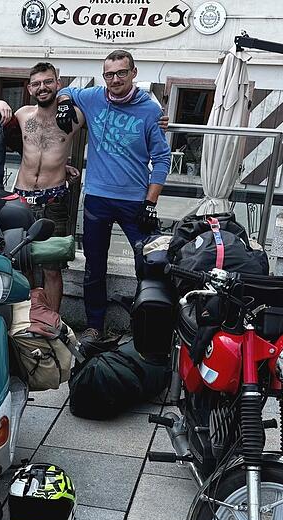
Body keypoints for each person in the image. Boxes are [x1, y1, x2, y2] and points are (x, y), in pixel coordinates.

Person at [55, 49, 171, 344]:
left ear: (134, 73)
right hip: (97, 198)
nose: (115, 79)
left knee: (149, 263)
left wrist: (151, 202)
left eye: (121, 73)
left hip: (135, 201)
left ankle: (144, 325)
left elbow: (162, 159)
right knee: (94, 267)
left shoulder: (150, 110)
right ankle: (94, 326)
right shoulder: (93, 96)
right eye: (109, 74)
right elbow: (66, 90)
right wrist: (65, 104)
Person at [7, 61, 85, 312]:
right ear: (30, 88)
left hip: (53, 200)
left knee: (52, 267)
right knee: (23, 263)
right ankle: (27, 319)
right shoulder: (22, 115)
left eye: (48, 82)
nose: (43, 87)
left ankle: (51, 322)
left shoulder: (74, 117)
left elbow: (105, 108)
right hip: (21, 200)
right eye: (37, 84)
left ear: (58, 84)